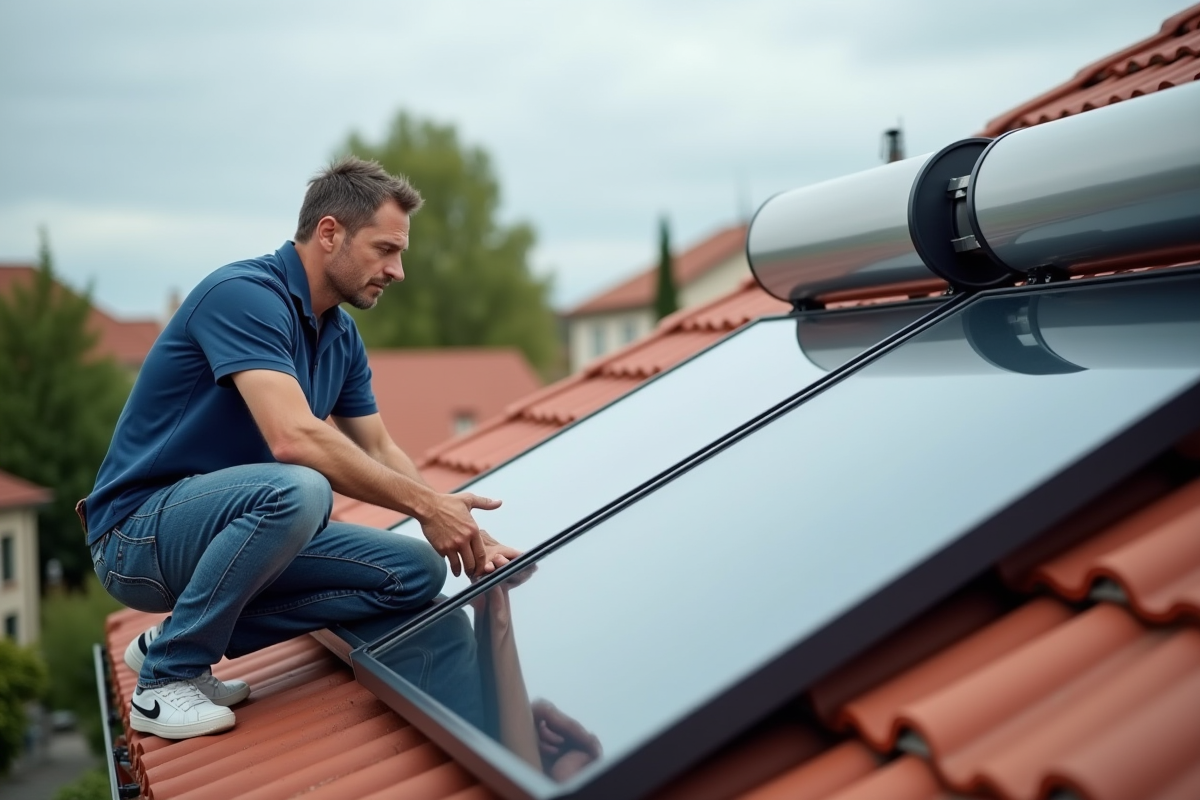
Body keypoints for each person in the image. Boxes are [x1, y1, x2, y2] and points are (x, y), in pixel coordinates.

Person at [81, 156, 519, 740]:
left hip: (225, 531)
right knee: (302, 488)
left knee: (413, 570)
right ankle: (165, 680)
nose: (398, 270)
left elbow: (382, 448)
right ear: (330, 232)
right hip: (135, 535)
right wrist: (424, 507)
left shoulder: (340, 336)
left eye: (401, 253)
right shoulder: (242, 296)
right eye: (385, 249)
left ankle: (180, 633)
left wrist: (459, 524)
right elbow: (293, 437)